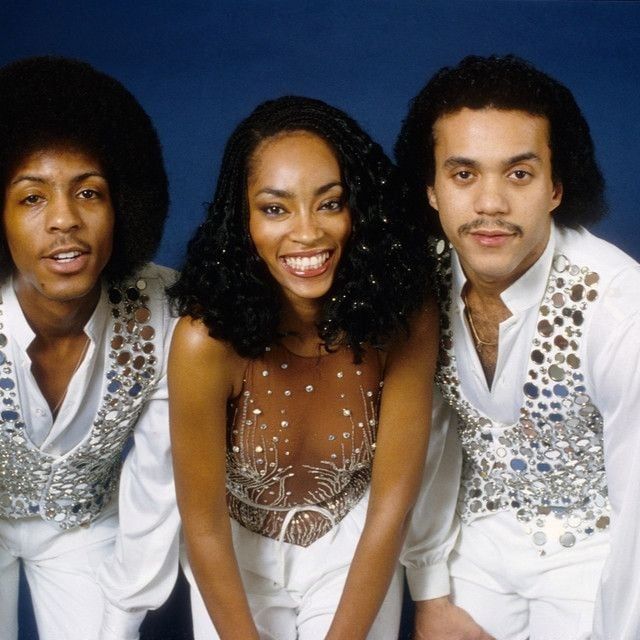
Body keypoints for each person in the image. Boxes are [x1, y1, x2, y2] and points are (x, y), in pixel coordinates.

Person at [168, 95, 437, 639]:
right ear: (242, 220)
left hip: (354, 551)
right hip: (235, 559)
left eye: (330, 203)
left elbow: (391, 508)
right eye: (275, 209)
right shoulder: (203, 342)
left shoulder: (405, 317)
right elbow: (204, 528)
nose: (308, 233)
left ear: (359, 209)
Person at [395, 54, 640, 640]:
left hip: (597, 555)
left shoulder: (619, 307)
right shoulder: (418, 283)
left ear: (556, 187)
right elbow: (430, 442)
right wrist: (429, 592)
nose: (491, 204)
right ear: (431, 190)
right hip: (474, 546)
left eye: (519, 175)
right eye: (463, 174)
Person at [0, 56, 180, 640]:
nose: (64, 220)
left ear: (122, 205)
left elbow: (158, 484)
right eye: (32, 198)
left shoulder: (164, 312)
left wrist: (120, 620)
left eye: (88, 192)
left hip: (84, 526)